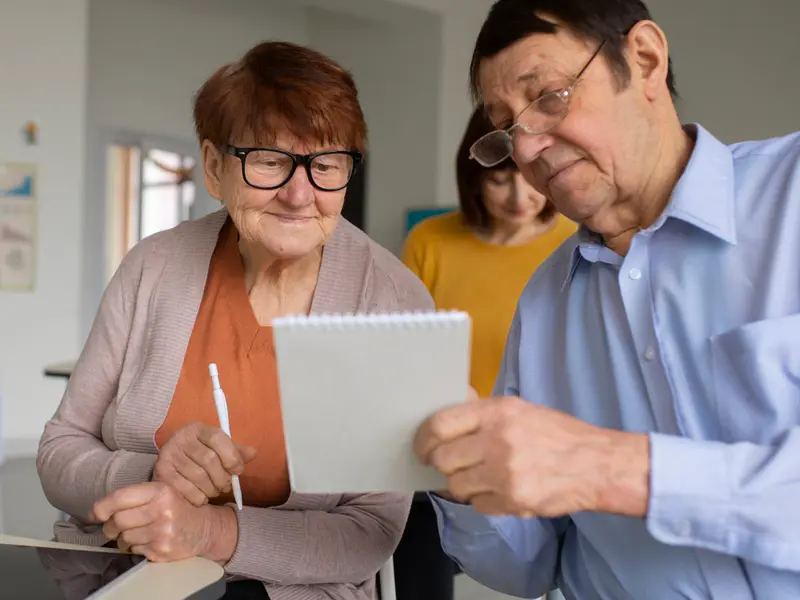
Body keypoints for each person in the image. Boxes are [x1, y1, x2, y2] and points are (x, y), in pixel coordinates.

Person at [413, 1, 800, 599]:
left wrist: (609, 468)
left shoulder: (791, 198)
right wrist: (456, 477)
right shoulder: (544, 301)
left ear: (645, 60)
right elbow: (526, 568)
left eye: (548, 98)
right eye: (506, 129)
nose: (529, 150)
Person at [36, 41, 433, 600]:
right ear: (215, 167)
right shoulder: (154, 266)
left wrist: (210, 530)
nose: (301, 195)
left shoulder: (393, 302)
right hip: (127, 579)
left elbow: (371, 530)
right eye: (270, 161)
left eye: (326, 165)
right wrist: (149, 477)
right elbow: (60, 450)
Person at [394, 107, 575, 600]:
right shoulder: (430, 241)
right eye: (500, 180)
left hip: (540, 451)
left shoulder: (576, 244)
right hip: (442, 457)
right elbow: (406, 355)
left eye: (529, 177)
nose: (520, 197)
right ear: (472, 179)